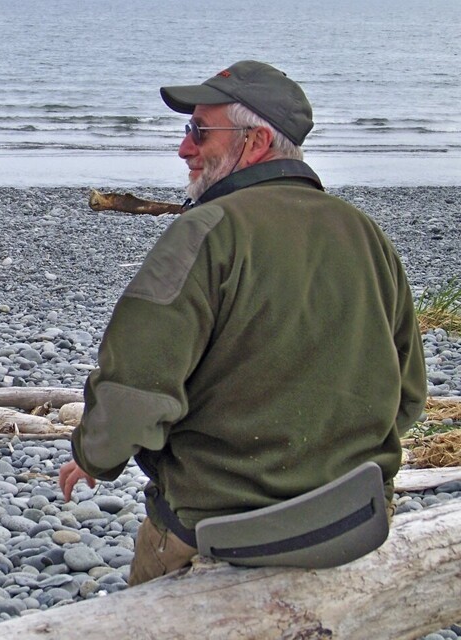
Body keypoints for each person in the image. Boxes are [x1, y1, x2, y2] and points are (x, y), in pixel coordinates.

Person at [59, 60, 427, 586]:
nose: (184, 148)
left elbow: (135, 389)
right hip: (351, 525)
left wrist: (94, 455)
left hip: (217, 531)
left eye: (199, 131)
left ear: (253, 142)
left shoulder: (205, 231)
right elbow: (409, 395)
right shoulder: (364, 234)